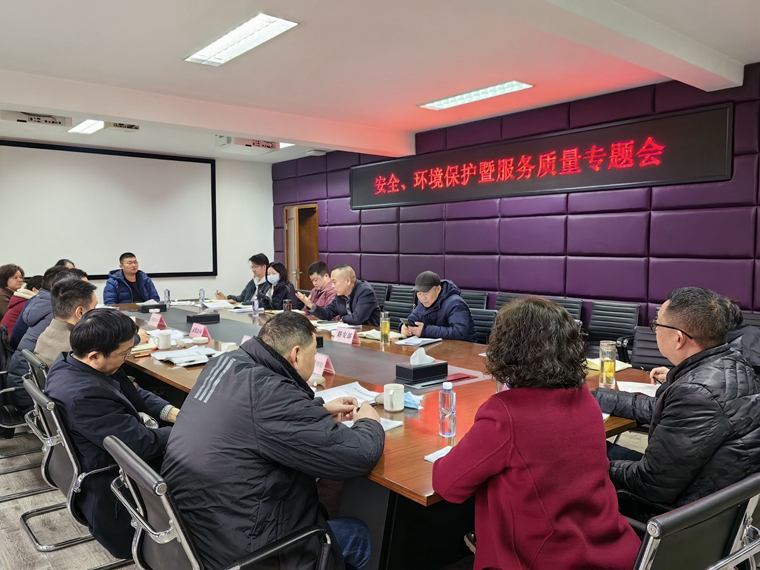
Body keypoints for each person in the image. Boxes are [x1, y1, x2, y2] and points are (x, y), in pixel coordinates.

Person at [162, 312, 384, 570]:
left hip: (192, 534)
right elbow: (357, 455)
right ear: (296, 354)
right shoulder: (272, 395)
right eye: (314, 355)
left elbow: (254, 417)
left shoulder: (225, 363)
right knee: (358, 534)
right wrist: (369, 422)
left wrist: (316, 409)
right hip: (245, 554)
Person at [432, 298, 640, 569]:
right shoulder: (585, 399)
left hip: (543, 559)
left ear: (506, 348)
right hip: (613, 552)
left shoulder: (505, 414)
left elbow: (447, 484)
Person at [595, 287, 760, 521]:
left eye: (657, 325)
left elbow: (651, 484)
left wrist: (592, 464)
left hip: (679, 515)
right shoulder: (733, 365)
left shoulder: (695, 391)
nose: (655, 330)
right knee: (601, 448)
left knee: (584, 455)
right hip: (711, 492)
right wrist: (601, 397)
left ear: (679, 338)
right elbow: (666, 412)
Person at [44, 309, 179, 560]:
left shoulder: (70, 363)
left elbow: (131, 393)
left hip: (113, 453)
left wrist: (171, 413)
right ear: (95, 355)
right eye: (124, 353)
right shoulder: (85, 396)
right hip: (116, 489)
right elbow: (142, 445)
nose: (126, 358)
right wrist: (185, 430)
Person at [35, 277, 98, 366]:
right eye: (94, 307)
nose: (96, 311)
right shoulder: (79, 347)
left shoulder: (43, 336)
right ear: (80, 312)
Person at [401, 271, 476, 342]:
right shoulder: (423, 302)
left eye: (426, 293)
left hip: (462, 347)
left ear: (438, 289)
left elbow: (459, 332)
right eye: (419, 293)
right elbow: (412, 319)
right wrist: (404, 327)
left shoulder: (455, 303)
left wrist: (425, 331)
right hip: (437, 346)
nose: (423, 298)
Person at [296, 265, 381, 327]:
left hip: (370, 336)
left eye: (334, 282)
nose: (332, 286)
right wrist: (310, 305)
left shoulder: (365, 291)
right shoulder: (340, 295)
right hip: (350, 334)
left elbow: (357, 318)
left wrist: (343, 319)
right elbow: (327, 313)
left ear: (348, 281)